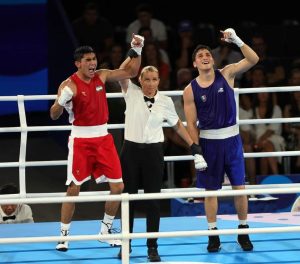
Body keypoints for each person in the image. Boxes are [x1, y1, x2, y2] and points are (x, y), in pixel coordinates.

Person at [49, 34, 144, 252]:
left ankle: (105, 230)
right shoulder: (68, 84)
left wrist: (137, 50)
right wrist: (60, 103)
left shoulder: (101, 76)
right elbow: (53, 115)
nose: (93, 63)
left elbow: (131, 72)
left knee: (118, 186)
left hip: (103, 138)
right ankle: (63, 235)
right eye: (88, 60)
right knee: (73, 189)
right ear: (78, 63)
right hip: (81, 140)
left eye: (94, 59)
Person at [117, 64, 207, 261]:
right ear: (139, 80)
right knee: (127, 200)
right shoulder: (130, 91)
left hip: (153, 152)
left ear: (159, 81)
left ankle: (152, 247)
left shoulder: (166, 101)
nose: (150, 83)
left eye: (154, 79)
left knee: (153, 201)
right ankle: (126, 244)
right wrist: (135, 50)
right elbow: (123, 72)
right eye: (146, 79)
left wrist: (193, 145)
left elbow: (176, 126)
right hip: (130, 151)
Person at [183, 28, 259, 252]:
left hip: (232, 140)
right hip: (209, 143)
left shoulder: (226, 73)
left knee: (239, 187)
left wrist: (237, 40)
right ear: (195, 63)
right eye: (200, 56)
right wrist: (196, 151)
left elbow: (254, 59)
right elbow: (190, 124)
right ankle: (212, 233)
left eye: (208, 54)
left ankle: (243, 230)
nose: (205, 57)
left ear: (213, 59)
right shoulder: (190, 90)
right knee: (210, 191)